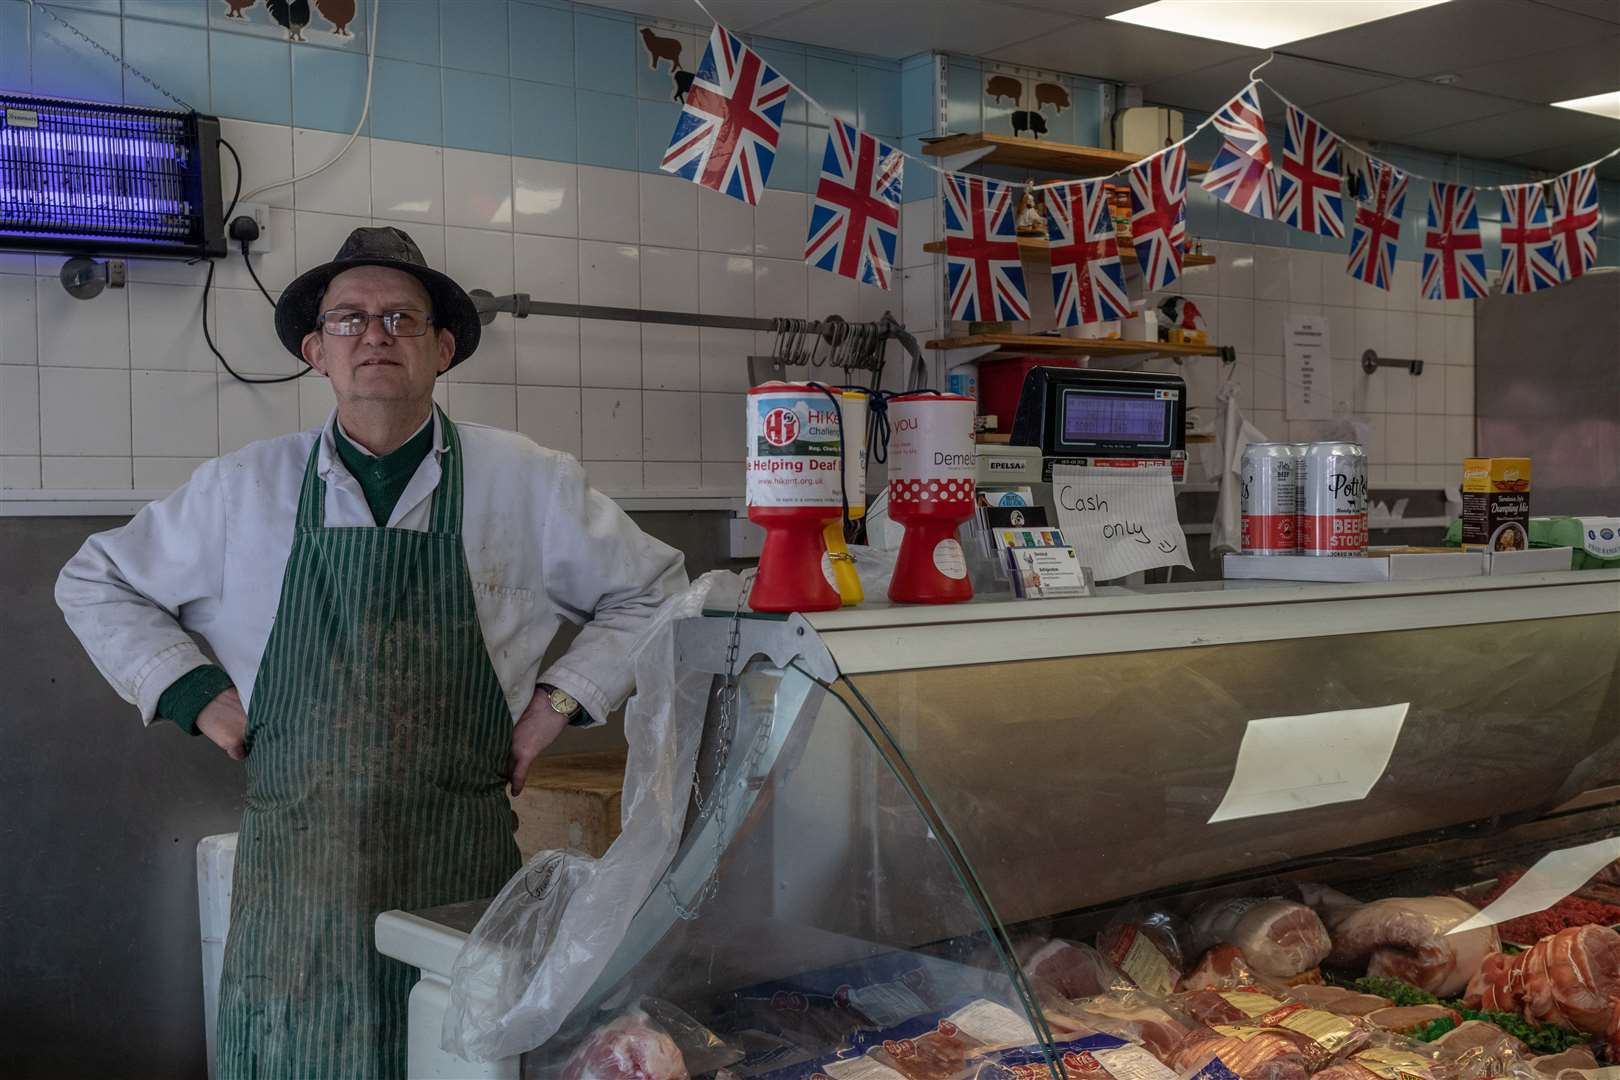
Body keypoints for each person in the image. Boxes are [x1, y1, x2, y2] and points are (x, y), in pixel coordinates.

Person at [57, 227, 687, 1079]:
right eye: (350, 320)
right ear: (317, 351)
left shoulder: (526, 481)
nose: (376, 335)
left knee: (450, 1056)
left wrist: (558, 706)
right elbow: (94, 579)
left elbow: (656, 588)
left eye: (401, 318)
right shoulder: (243, 488)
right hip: (296, 900)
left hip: (459, 877)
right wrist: (195, 692)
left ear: (443, 347)